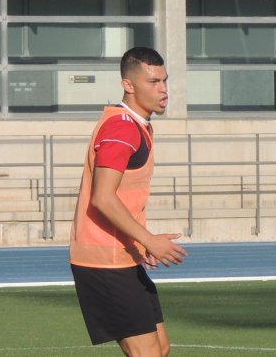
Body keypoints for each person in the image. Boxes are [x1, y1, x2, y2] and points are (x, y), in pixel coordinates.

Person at [69, 47, 186, 356]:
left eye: (164, 81)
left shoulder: (139, 126)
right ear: (128, 85)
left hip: (124, 255)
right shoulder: (121, 128)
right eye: (153, 82)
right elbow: (103, 198)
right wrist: (150, 240)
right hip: (103, 260)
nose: (163, 90)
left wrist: (140, 243)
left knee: (160, 348)